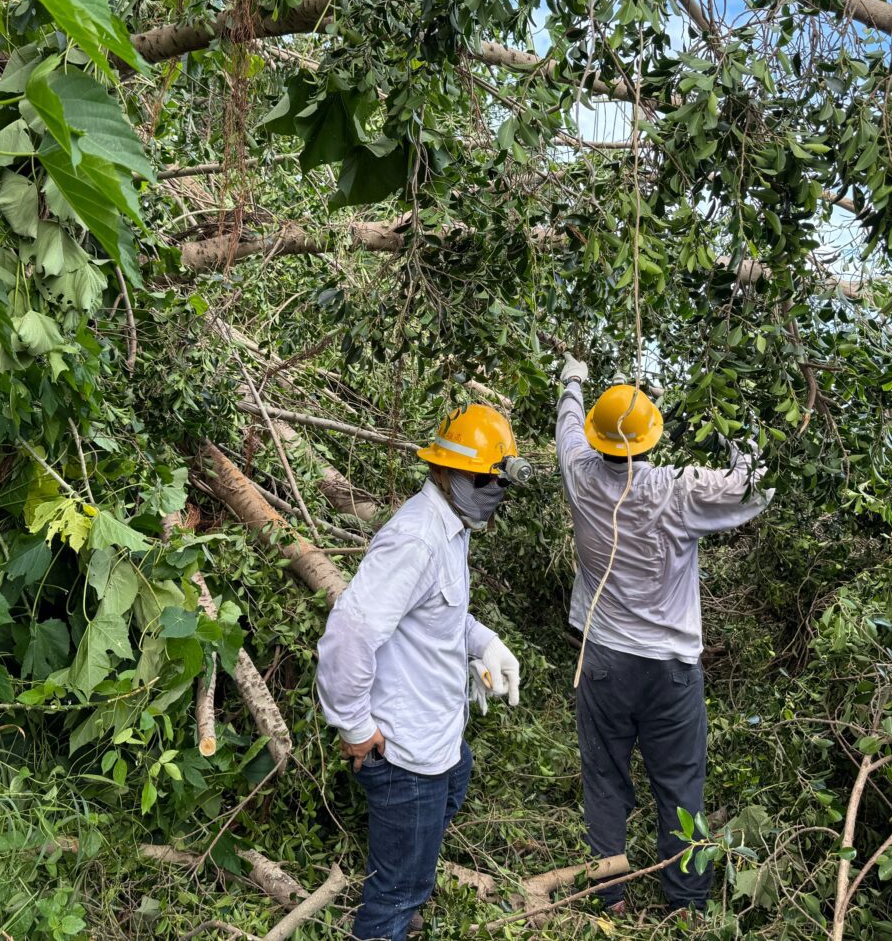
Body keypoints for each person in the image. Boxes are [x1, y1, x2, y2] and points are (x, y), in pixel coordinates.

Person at [555, 353, 772, 916]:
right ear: (650, 441)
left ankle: (610, 895)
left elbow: (567, 426)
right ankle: (686, 903)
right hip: (670, 669)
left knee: (603, 778)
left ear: (598, 441)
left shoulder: (579, 474)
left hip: (603, 660)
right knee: (680, 786)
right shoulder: (677, 491)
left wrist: (573, 379)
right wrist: (735, 419)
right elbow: (755, 486)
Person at [316, 404, 528, 941]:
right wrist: (355, 726)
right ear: (447, 470)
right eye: (485, 479)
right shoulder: (417, 538)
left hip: (438, 740)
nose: (493, 492)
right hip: (405, 753)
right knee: (397, 891)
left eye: (497, 482)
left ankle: (408, 867)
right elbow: (349, 633)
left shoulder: (451, 526)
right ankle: (394, 909)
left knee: (459, 777)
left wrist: (487, 643)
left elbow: (441, 615)